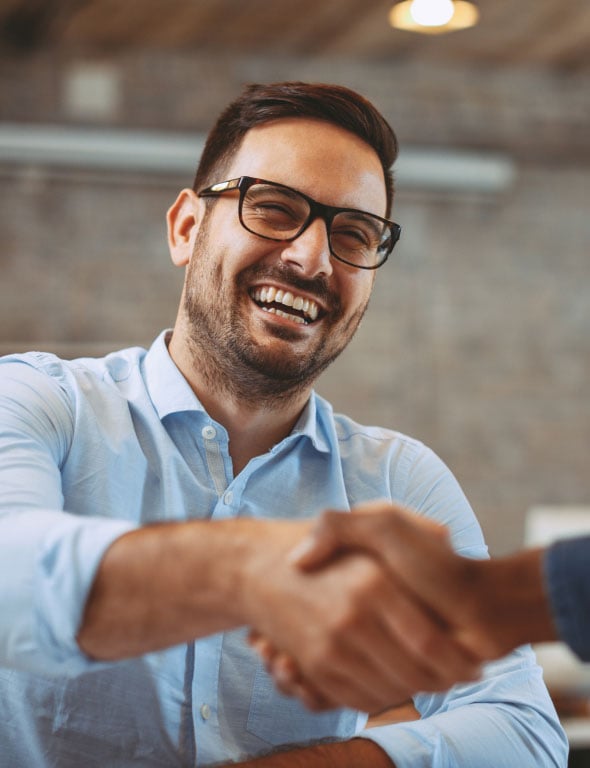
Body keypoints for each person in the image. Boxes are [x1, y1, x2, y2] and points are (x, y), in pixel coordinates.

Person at [0, 81, 567, 767]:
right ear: (186, 228)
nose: (311, 260)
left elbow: (524, 734)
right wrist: (250, 571)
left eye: (354, 234)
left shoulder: (397, 480)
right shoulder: (36, 400)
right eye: (272, 209)